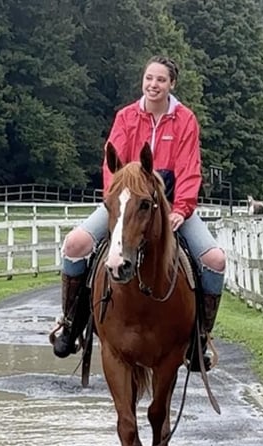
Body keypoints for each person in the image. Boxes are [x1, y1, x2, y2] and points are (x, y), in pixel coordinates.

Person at [50, 55, 226, 371]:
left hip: (171, 205)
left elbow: (189, 168)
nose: (153, 85)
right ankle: (71, 323)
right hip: (128, 204)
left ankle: (200, 338)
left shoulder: (186, 120)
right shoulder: (126, 117)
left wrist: (182, 211)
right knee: (74, 244)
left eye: (160, 79)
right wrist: (118, 201)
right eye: (149, 78)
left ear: (172, 84)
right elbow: (112, 163)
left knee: (215, 260)